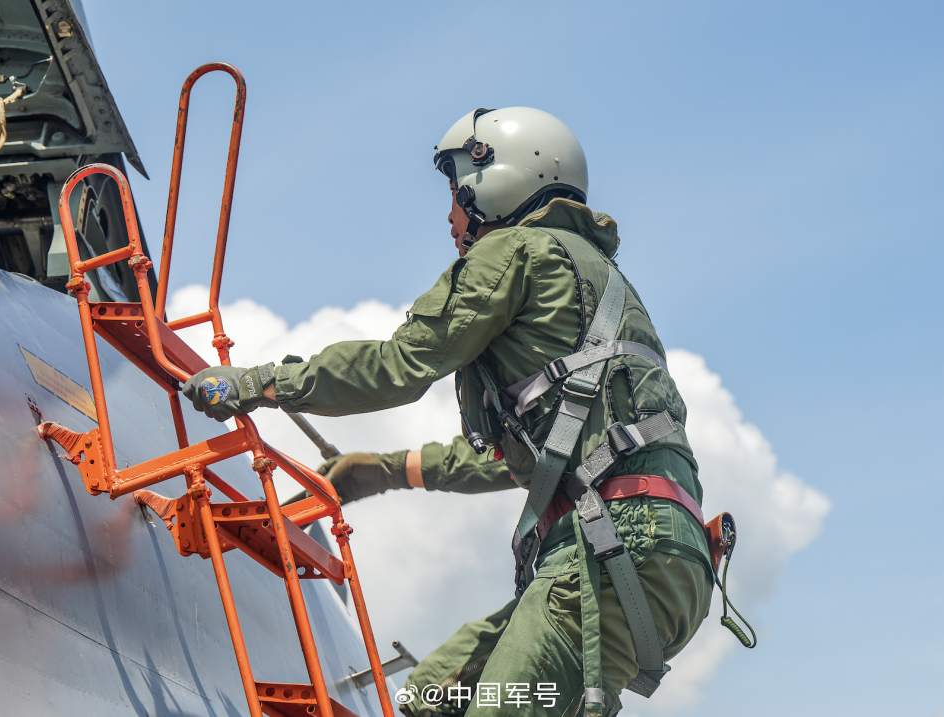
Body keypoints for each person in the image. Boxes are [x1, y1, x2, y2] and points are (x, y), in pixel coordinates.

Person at [183, 107, 714, 716]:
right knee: (436, 693)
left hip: (608, 550)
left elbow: (398, 366)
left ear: (497, 182)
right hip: (660, 557)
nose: (450, 216)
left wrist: (258, 383)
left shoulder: (514, 252)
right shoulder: (602, 285)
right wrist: (386, 469)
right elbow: (549, 459)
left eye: (458, 194)